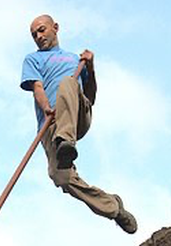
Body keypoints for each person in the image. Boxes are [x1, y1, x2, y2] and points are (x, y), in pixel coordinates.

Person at [20, 14, 138, 234]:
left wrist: (90, 68)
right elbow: (37, 88)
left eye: (42, 30)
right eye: (34, 34)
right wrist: (47, 108)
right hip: (51, 124)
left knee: (68, 82)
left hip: (76, 117)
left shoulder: (75, 60)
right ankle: (113, 207)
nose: (38, 36)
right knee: (61, 177)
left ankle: (66, 140)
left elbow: (90, 97)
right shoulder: (32, 59)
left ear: (55, 28)